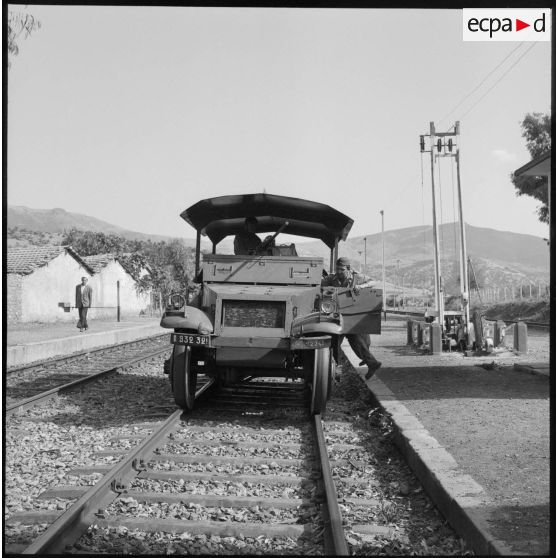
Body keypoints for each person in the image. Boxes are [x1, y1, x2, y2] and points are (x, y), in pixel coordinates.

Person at [322, 257, 382, 380]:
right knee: (335, 341)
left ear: (348, 269)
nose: (339, 272)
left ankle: (340, 369)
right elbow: (320, 285)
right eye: (337, 269)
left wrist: (362, 287)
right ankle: (369, 363)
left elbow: (374, 282)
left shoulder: (357, 277)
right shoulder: (332, 278)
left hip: (351, 315)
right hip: (336, 315)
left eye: (341, 269)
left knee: (354, 339)